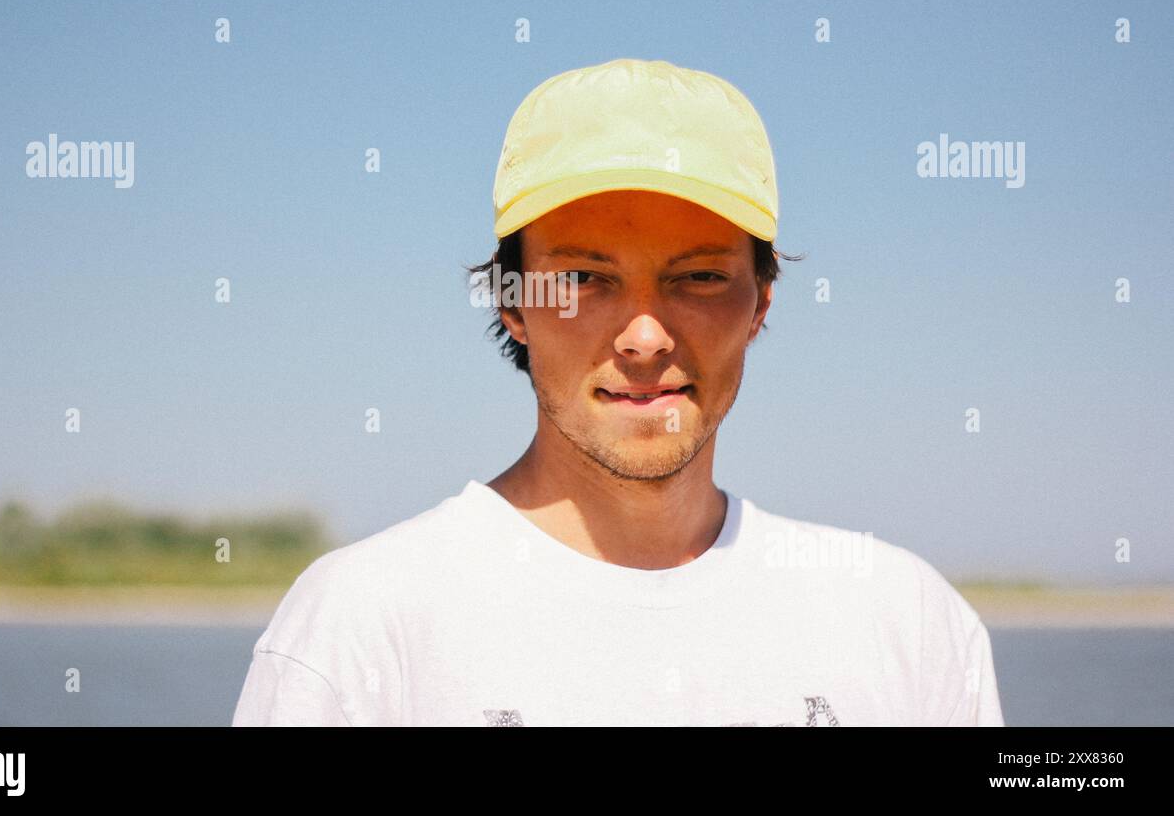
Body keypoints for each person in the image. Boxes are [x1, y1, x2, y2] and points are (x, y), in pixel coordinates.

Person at [232, 57, 1006, 726]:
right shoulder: (363, 627)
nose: (645, 338)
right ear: (512, 301)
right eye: (584, 280)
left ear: (761, 304)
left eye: (699, 277)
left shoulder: (903, 621)